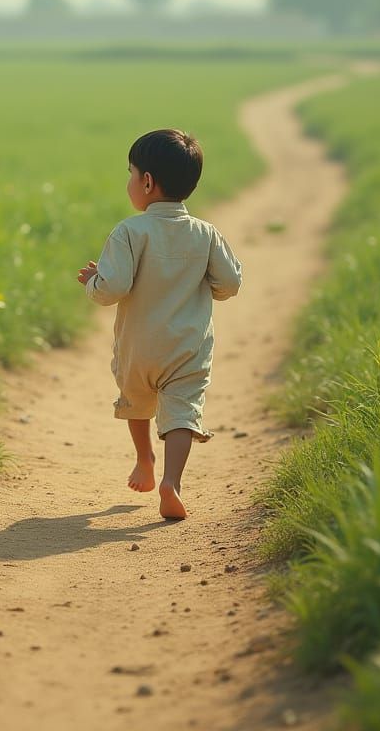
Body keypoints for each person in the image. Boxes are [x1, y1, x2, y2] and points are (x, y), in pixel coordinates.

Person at [77, 129, 241, 520]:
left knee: (137, 402)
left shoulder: (129, 232)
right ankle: (172, 482)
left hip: (138, 347)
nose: (130, 181)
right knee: (181, 412)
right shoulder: (206, 234)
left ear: (146, 182)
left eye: (131, 173)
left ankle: (143, 459)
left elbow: (112, 287)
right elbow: (230, 283)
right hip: (187, 348)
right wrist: (208, 287)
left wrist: (93, 283)